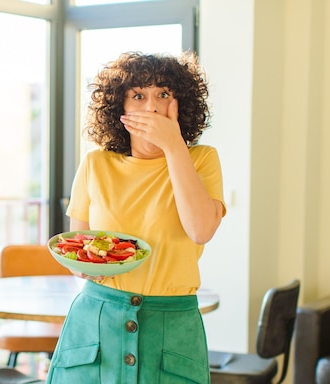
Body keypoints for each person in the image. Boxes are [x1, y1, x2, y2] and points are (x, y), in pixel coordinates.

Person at [46, 51, 226, 384]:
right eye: (138, 96)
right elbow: (78, 248)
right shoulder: (95, 164)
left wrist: (173, 146)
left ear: (180, 103)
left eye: (163, 94)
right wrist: (87, 266)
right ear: (121, 108)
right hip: (98, 321)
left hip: (171, 325)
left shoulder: (201, 160)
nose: (151, 107)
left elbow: (201, 230)